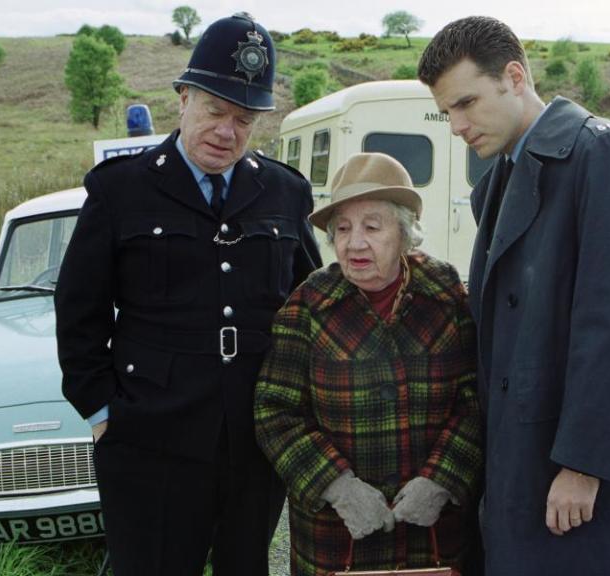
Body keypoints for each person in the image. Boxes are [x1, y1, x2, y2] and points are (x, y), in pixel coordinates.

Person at [417, 16, 610, 576]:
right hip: (529, 452)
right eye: (447, 113)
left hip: (599, 468)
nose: (457, 126)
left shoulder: (604, 155)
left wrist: (584, 465)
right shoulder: (499, 181)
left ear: (514, 77)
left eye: (466, 103)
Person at [54, 13, 321, 576]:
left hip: (254, 437)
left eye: (244, 119)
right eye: (215, 111)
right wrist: (101, 410)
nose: (227, 131)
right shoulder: (120, 190)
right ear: (183, 98)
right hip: (149, 436)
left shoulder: (284, 192)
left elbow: (310, 306)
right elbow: (79, 308)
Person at [254, 152, 483, 576]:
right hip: (337, 538)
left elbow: (476, 399)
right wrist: (336, 486)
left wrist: (443, 479)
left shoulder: (446, 292)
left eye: (372, 227)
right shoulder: (310, 303)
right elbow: (275, 412)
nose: (354, 242)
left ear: (405, 233)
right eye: (342, 228)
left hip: (431, 537)